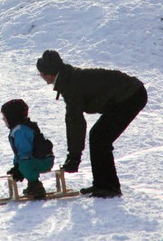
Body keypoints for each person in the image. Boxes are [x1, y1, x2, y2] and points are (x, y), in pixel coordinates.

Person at [36, 50, 148, 198]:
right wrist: (74, 155)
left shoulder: (70, 85)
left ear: (49, 74)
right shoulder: (67, 78)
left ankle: (108, 187)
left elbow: (75, 121)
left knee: (99, 137)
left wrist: (74, 156)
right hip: (127, 94)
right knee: (99, 136)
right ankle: (102, 184)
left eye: (41, 73)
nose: (41, 76)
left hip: (131, 95)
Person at [2, 99, 55, 199]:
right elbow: (18, 153)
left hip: (42, 161)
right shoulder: (19, 128)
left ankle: (36, 187)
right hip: (39, 160)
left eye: (4, 116)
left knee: (24, 163)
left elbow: (24, 152)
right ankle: (32, 184)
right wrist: (17, 166)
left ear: (11, 116)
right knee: (23, 163)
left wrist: (21, 168)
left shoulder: (20, 130)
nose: (3, 119)